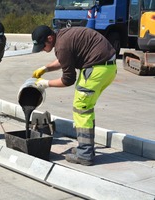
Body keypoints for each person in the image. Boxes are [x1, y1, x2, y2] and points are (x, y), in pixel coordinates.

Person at [31, 25, 117, 166]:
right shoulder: (63, 36)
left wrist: (46, 83)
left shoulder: (61, 46)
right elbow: (65, 59)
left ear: (50, 38)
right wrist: (46, 68)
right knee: (86, 108)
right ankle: (87, 149)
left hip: (96, 69)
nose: (41, 49)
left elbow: (68, 80)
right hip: (107, 68)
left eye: (42, 46)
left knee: (81, 109)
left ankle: (85, 154)